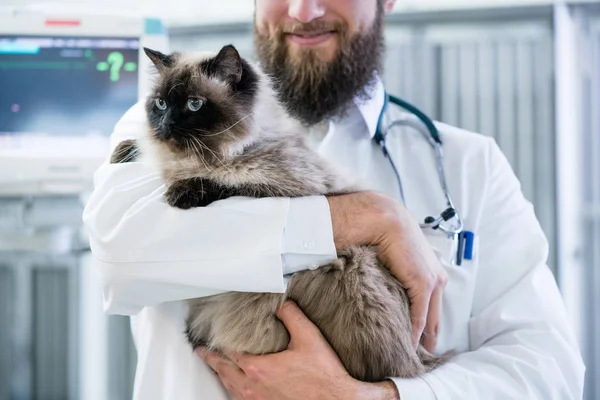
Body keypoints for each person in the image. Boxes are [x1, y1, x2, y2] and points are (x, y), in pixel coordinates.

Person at [82, 0, 585, 399]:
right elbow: (116, 259)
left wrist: (379, 398)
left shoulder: (468, 162)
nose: (304, 10)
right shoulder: (161, 128)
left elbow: (548, 369)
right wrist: (371, 217)